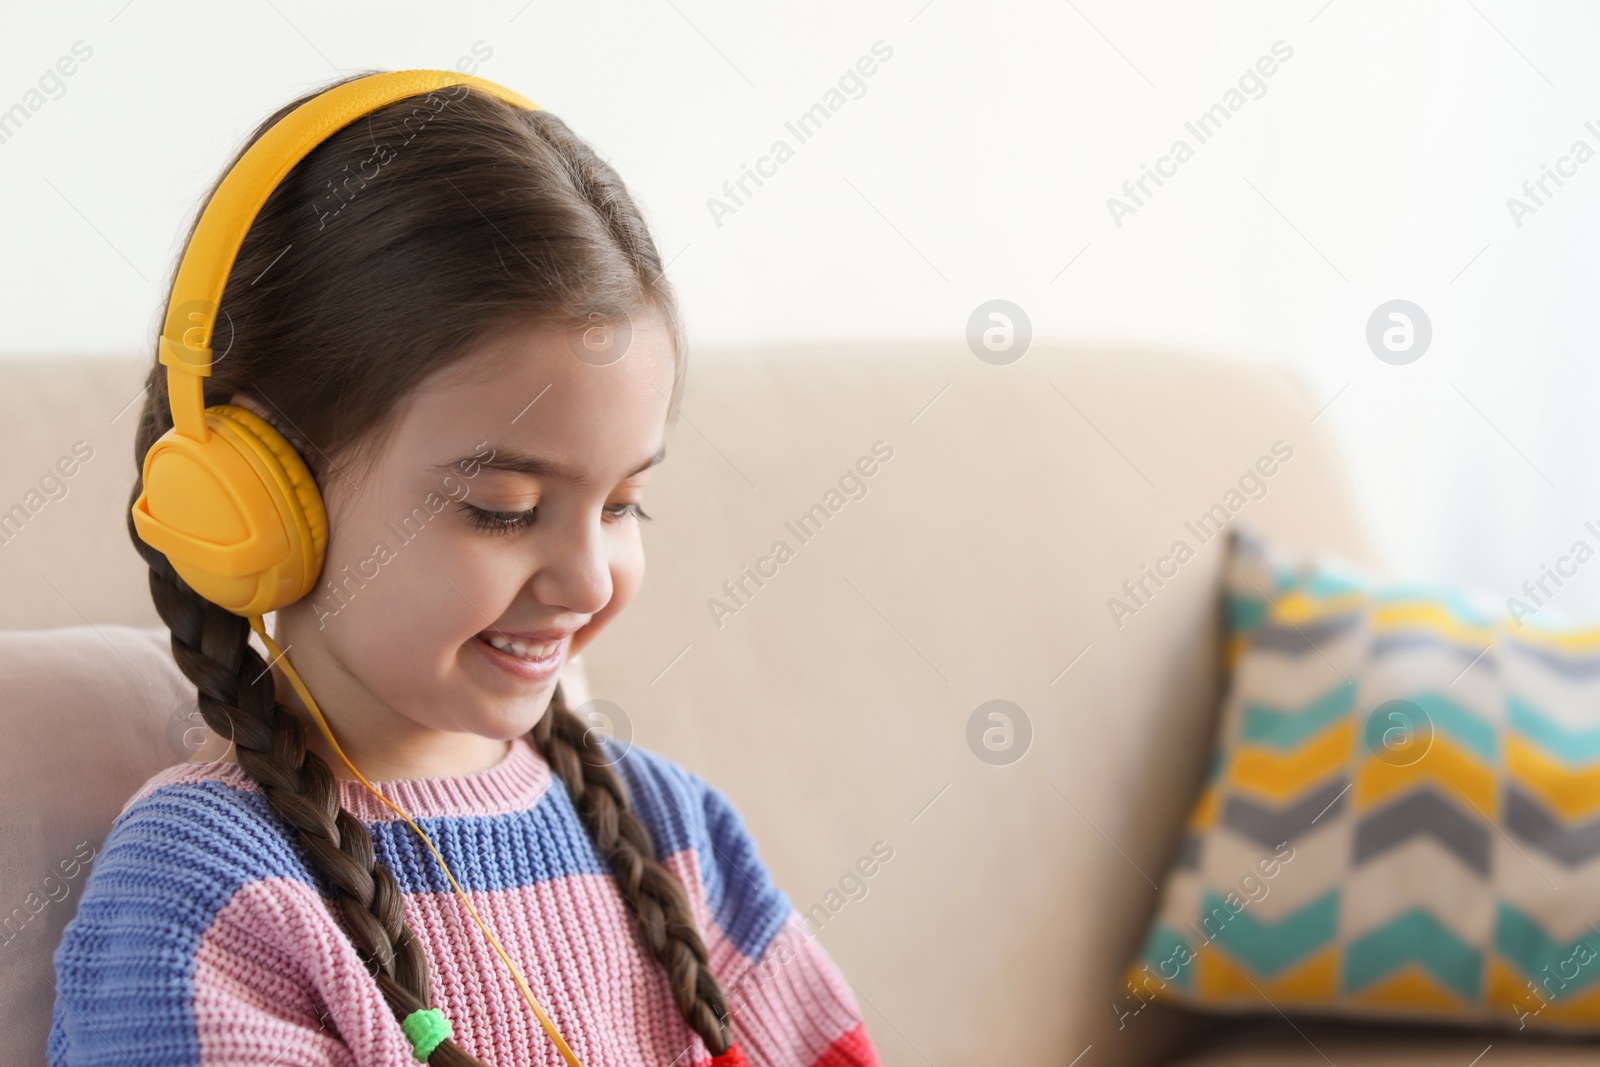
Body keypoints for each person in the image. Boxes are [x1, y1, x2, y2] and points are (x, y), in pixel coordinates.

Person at [48, 69, 880, 1067]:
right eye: (506, 511)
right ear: (265, 498)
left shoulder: (678, 834)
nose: (586, 579)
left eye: (622, 504)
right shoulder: (211, 887)